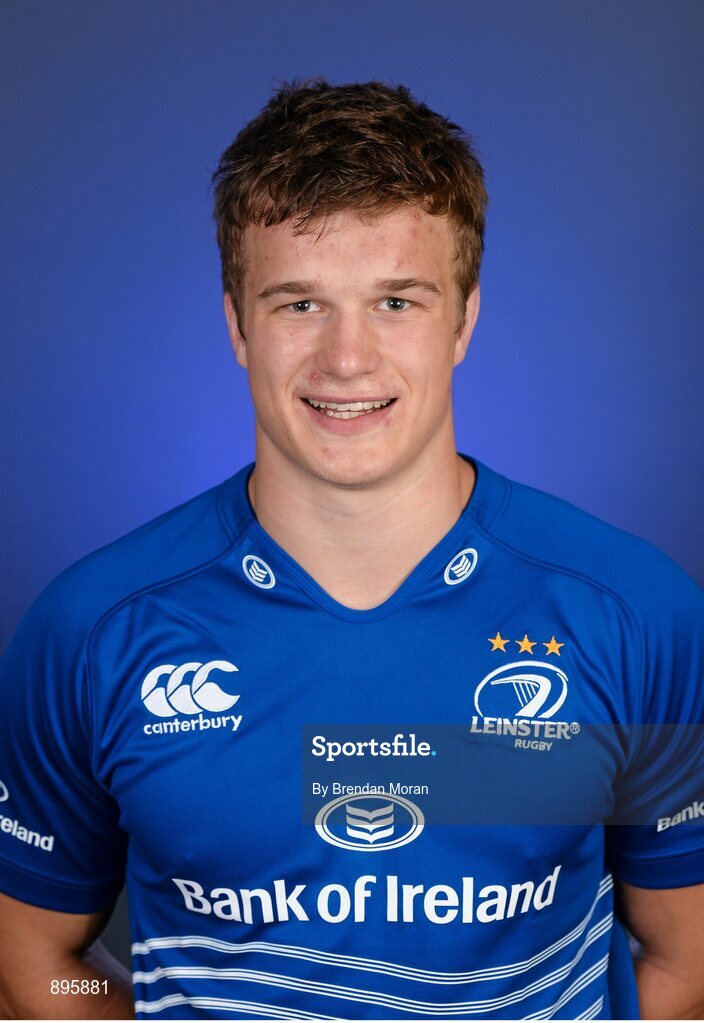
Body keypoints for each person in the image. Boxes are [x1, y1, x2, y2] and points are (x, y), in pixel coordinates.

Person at [0, 78, 702, 1022]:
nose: (347, 358)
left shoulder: (633, 611)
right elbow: (39, 956)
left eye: (398, 301)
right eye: (299, 304)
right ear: (236, 324)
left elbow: (687, 954)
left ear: (465, 318)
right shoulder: (91, 629)